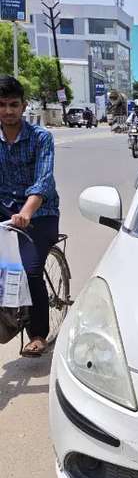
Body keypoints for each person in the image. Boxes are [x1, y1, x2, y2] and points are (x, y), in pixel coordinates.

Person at [0, 75, 59, 357]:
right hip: (4, 208)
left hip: (40, 213)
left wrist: (25, 212)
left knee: (29, 269)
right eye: (1, 105)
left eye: (13, 104)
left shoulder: (41, 138)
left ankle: (37, 333)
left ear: (24, 106)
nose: (8, 111)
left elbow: (43, 182)